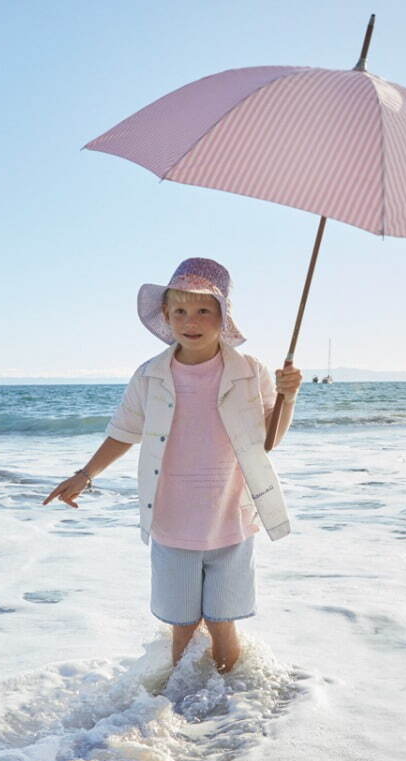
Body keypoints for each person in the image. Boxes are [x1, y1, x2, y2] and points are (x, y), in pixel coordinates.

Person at [44, 257, 301, 674]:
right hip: (172, 521)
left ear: (223, 316)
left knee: (222, 623)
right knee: (182, 627)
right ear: (166, 315)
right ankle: (181, 700)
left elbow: (267, 441)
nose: (191, 320)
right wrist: (85, 475)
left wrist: (289, 398)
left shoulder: (250, 371)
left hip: (230, 519)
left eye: (203, 310)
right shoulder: (149, 375)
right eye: (180, 310)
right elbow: (124, 432)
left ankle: (226, 709)